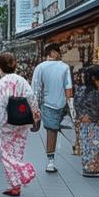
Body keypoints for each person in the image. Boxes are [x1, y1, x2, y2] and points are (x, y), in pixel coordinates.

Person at [0, 52, 39, 196]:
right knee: (17, 152)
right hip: (23, 122)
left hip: (7, 123)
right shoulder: (22, 80)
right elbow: (31, 97)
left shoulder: (3, 82)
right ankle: (15, 185)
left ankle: (24, 169)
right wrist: (35, 113)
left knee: (7, 154)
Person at [30, 43, 73, 173]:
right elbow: (68, 88)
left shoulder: (40, 67)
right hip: (63, 104)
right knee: (59, 130)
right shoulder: (65, 67)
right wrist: (71, 107)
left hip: (47, 104)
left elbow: (35, 88)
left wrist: (34, 107)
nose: (59, 55)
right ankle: (52, 159)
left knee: (51, 131)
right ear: (54, 53)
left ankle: (50, 161)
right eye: (58, 52)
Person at [74, 64, 99, 177]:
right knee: (95, 145)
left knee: (87, 144)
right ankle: (93, 168)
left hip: (84, 123)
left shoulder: (81, 90)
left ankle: (88, 166)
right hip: (95, 124)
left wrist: (81, 117)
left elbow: (77, 105)